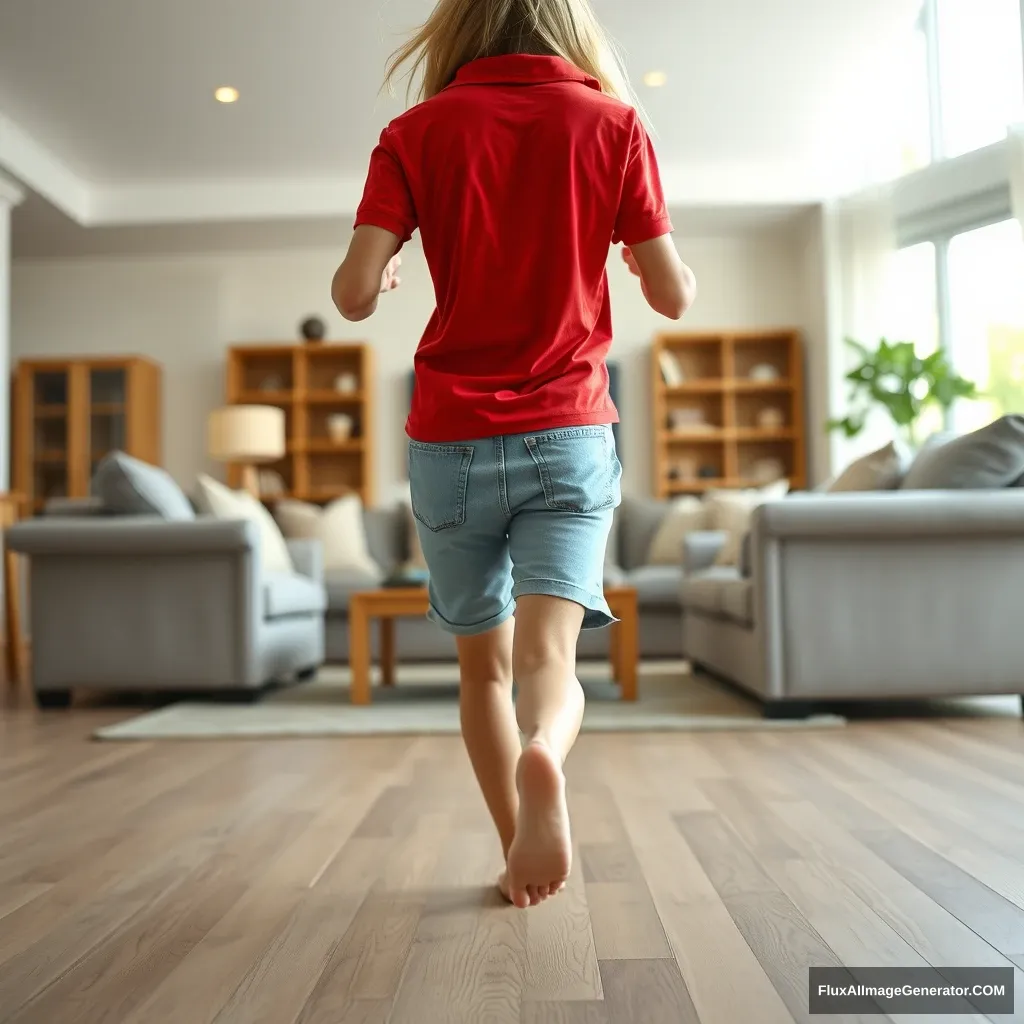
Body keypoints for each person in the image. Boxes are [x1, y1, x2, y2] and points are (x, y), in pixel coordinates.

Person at [332, 0, 696, 911]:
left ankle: (513, 847)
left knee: (482, 666)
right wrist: (635, 256)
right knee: (548, 661)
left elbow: (350, 296)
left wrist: (383, 274)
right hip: (569, 431)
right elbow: (673, 297)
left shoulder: (415, 132)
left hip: (450, 441)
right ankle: (549, 753)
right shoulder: (613, 124)